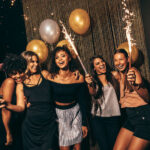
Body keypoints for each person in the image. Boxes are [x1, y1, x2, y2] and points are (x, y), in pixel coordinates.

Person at [0, 51, 58, 150]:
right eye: (32, 61)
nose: (35, 64)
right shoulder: (15, 83)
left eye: (37, 61)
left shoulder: (40, 75)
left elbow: (59, 80)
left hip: (43, 125)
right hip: (19, 127)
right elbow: (12, 109)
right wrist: (8, 132)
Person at [48, 46, 88, 150]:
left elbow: (83, 102)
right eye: (57, 57)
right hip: (59, 116)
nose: (60, 59)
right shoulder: (51, 77)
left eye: (63, 56)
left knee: (78, 148)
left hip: (75, 113)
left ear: (69, 58)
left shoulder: (78, 77)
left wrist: (84, 123)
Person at [113, 49, 150, 150]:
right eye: (116, 60)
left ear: (128, 59)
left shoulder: (133, 72)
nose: (118, 63)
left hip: (143, 118)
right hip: (131, 118)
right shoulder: (118, 75)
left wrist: (135, 85)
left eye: (121, 59)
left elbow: (147, 96)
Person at [85, 55, 121, 150]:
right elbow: (92, 93)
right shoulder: (93, 81)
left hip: (113, 117)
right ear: (94, 68)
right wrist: (89, 84)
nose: (101, 64)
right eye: (98, 63)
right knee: (104, 147)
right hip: (98, 119)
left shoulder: (114, 76)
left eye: (102, 61)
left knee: (114, 146)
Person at [0, 54, 27, 150]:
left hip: (15, 126)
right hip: (5, 126)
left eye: (20, 72)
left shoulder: (18, 84)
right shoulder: (9, 82)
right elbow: (5, 111)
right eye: (14, 73)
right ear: (8, 73)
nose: (18, 76)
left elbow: (18, 107)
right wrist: (8, 133)